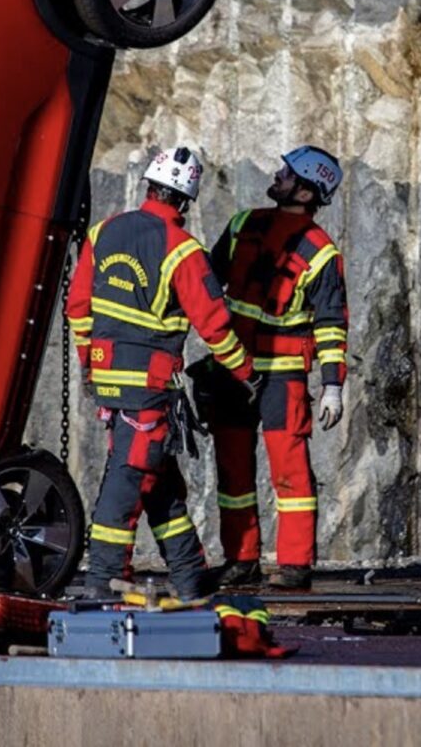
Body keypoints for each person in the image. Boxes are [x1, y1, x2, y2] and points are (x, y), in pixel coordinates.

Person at [66, 145, 257, 600]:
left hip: (109, 382)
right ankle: (103, 581)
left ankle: (191, 577)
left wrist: (90, 363)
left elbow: (78, 308)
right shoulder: (183, 250)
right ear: (186, 200)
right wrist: (245, 372)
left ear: (149, 185)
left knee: (159, 484)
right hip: (149, 390)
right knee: (127, 482)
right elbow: (214, 325)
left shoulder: (103, 231)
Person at [203, 146, 350, 591]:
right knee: (233, 470)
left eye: (286, 173)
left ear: (305, 192)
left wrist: (332, 385)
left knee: (290, 472)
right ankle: (241, 559)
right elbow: (203, 284)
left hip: (283, 377)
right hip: (232, 369)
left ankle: (295, 565)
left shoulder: (322, 252)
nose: (277, 175)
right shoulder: (242, 223)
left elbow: (331, 324)